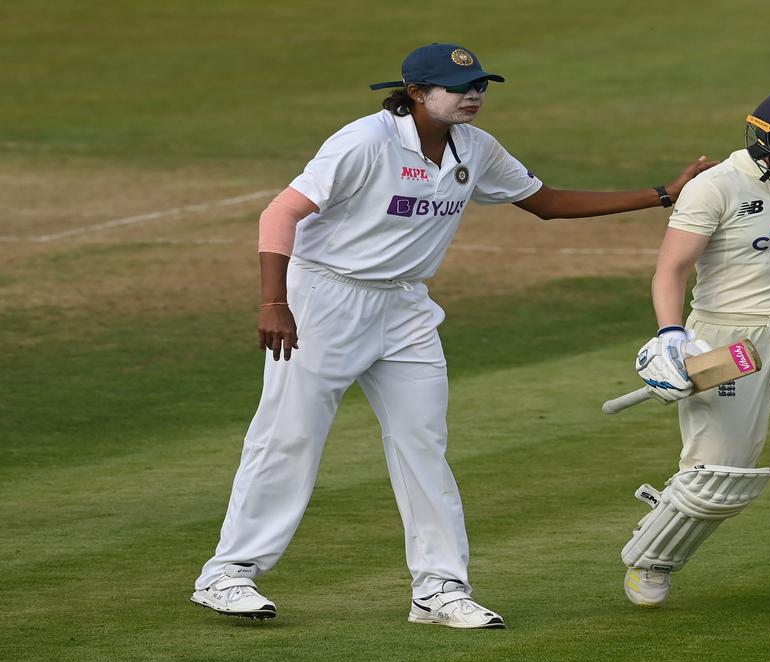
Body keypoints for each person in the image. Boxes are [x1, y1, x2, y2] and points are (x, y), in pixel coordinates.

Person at [190, 42, 715, 629]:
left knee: (423, 444)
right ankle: (228, 575)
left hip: (407, 307)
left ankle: (439, 589)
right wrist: (273, 301)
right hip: (323, 300)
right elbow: (279, 214)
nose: (473, 96)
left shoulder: (476, 147)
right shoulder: (365, 141)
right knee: (288, 436)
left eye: (480, 87)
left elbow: (545, 202)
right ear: (416, 93)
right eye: (457, 88)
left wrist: (664, 194)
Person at [618, 89, 770, 630]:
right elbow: (672, 269)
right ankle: (654, 556)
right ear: (763, 134)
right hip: (727, 341)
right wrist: (670, 337)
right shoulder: (715, 188)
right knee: (720, 476)